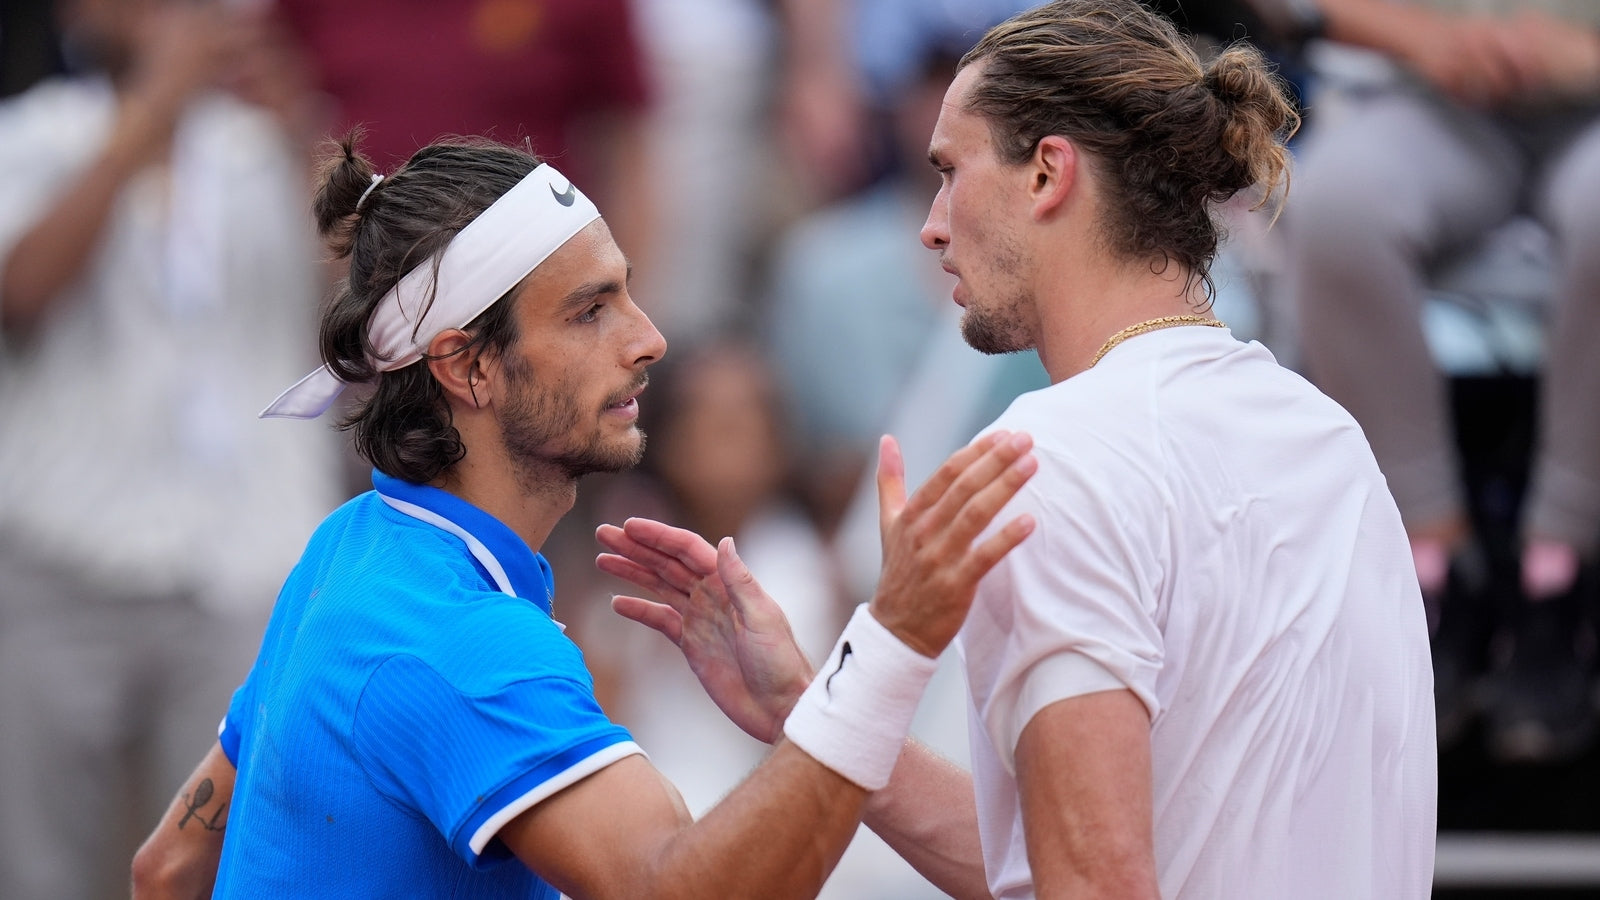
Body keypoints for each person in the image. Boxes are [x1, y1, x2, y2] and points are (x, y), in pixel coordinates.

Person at [599, 1, 1438, 896]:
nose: (931, 224)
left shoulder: (1048, 455)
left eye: (950, 172)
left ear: (1047, 174)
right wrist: (818, 710)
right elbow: (1067, 861)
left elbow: (1095, 883)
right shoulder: (1329, 436)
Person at [130, 135, 1039, 898]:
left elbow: (168, 867)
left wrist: (805, 702)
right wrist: (892, 641)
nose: (649, 339)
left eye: (628, 294)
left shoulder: (349, 550)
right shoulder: (460, 644)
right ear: (468, 368)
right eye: (590, 310)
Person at [0, 1, 340, 897]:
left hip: (241, 562)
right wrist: (145, 122)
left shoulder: (266, 143)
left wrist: (301, 128)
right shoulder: (33, 134)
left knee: (236, 868)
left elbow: (367, 310)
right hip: (58, 554)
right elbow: (22, 290)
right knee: (41, 871)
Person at [1281, 0, 1600, 761]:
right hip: (1431, 99)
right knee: (1332, 206)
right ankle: (1429, 568)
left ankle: (1560, 568)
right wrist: (1429, 39)